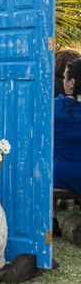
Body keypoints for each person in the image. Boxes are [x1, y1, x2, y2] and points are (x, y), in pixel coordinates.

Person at [53, 58, 81, 194]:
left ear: (72, 83)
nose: (62, 81)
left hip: (62, 173)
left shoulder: (56, 107)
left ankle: (51, 214)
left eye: (64, 78)